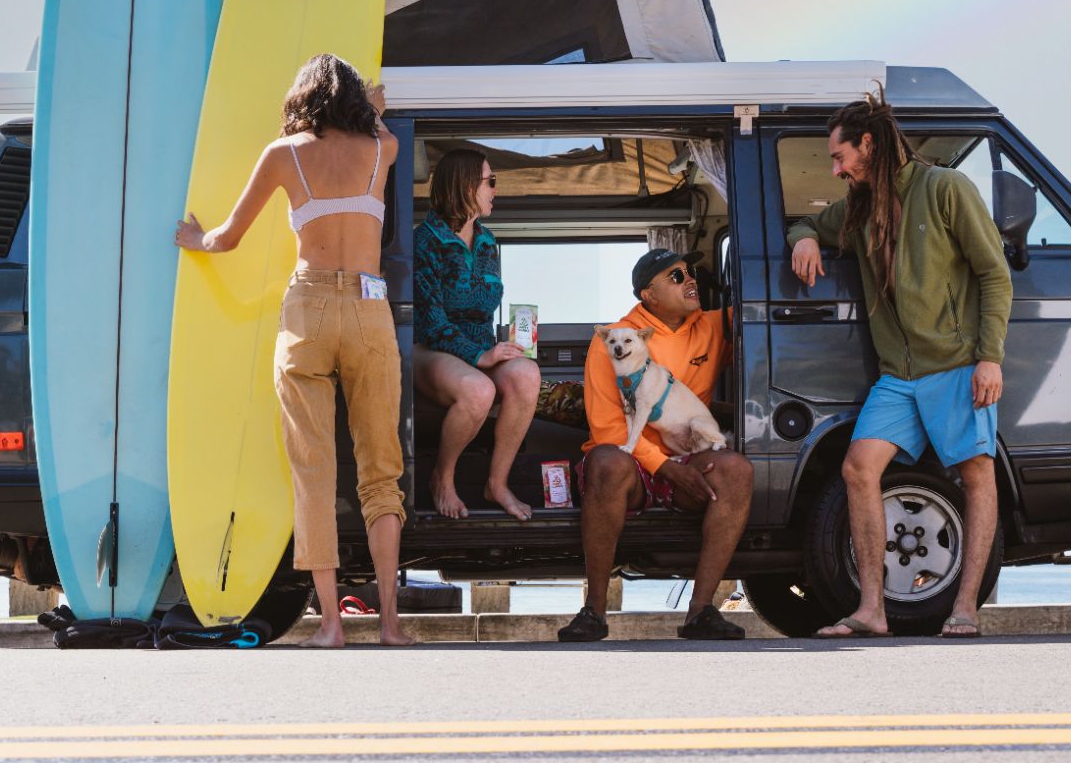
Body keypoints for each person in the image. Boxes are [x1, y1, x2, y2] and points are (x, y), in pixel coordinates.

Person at [174, 53, 411, 648]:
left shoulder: (284, 155)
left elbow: (225, 239)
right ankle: (389, 625)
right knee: (381, 471)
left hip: (307, 309)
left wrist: (193, 239)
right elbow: (379, 126)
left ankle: (331, 625)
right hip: (367, 308)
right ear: (355, 98)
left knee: (313, 472)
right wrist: (374, 110)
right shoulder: (383, 148)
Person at [788, 88, 1012, 639]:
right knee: (858, 469)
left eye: (840, 157)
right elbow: (807, 221)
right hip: (899, 378)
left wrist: (989, 358)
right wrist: (804, 239)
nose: (836, 169)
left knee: (975, 474)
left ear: (868, 144)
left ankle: (964, 608)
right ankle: (872, 610)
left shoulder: (945, 189)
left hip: (956, 365)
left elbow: (994, 273)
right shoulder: (859, 207)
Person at [557, 248, 753, 643]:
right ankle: (594, 611)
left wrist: (806, 243)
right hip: (632, 465)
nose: (690, 280)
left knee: (737, 470)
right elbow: (610, 429)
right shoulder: (614, 338)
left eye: (690, 272)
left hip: (688, 455)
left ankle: (701, 612)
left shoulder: (714, 326)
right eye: (676, 276)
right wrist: (667, 469)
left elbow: (770, 317)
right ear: (648, 294)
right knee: (606, 462)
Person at [412, 149, 539, 520]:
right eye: (491, 181)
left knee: (527, 374)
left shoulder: (487, 241)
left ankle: (496, 484)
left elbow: (484, 302)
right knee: (479, 389)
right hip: (429, 349)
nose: (496, 190)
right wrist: (480, 356)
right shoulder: (426, 240)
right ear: (465, 184)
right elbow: (433, 319)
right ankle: (442, 478)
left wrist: (510, 341)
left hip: (479, 346)